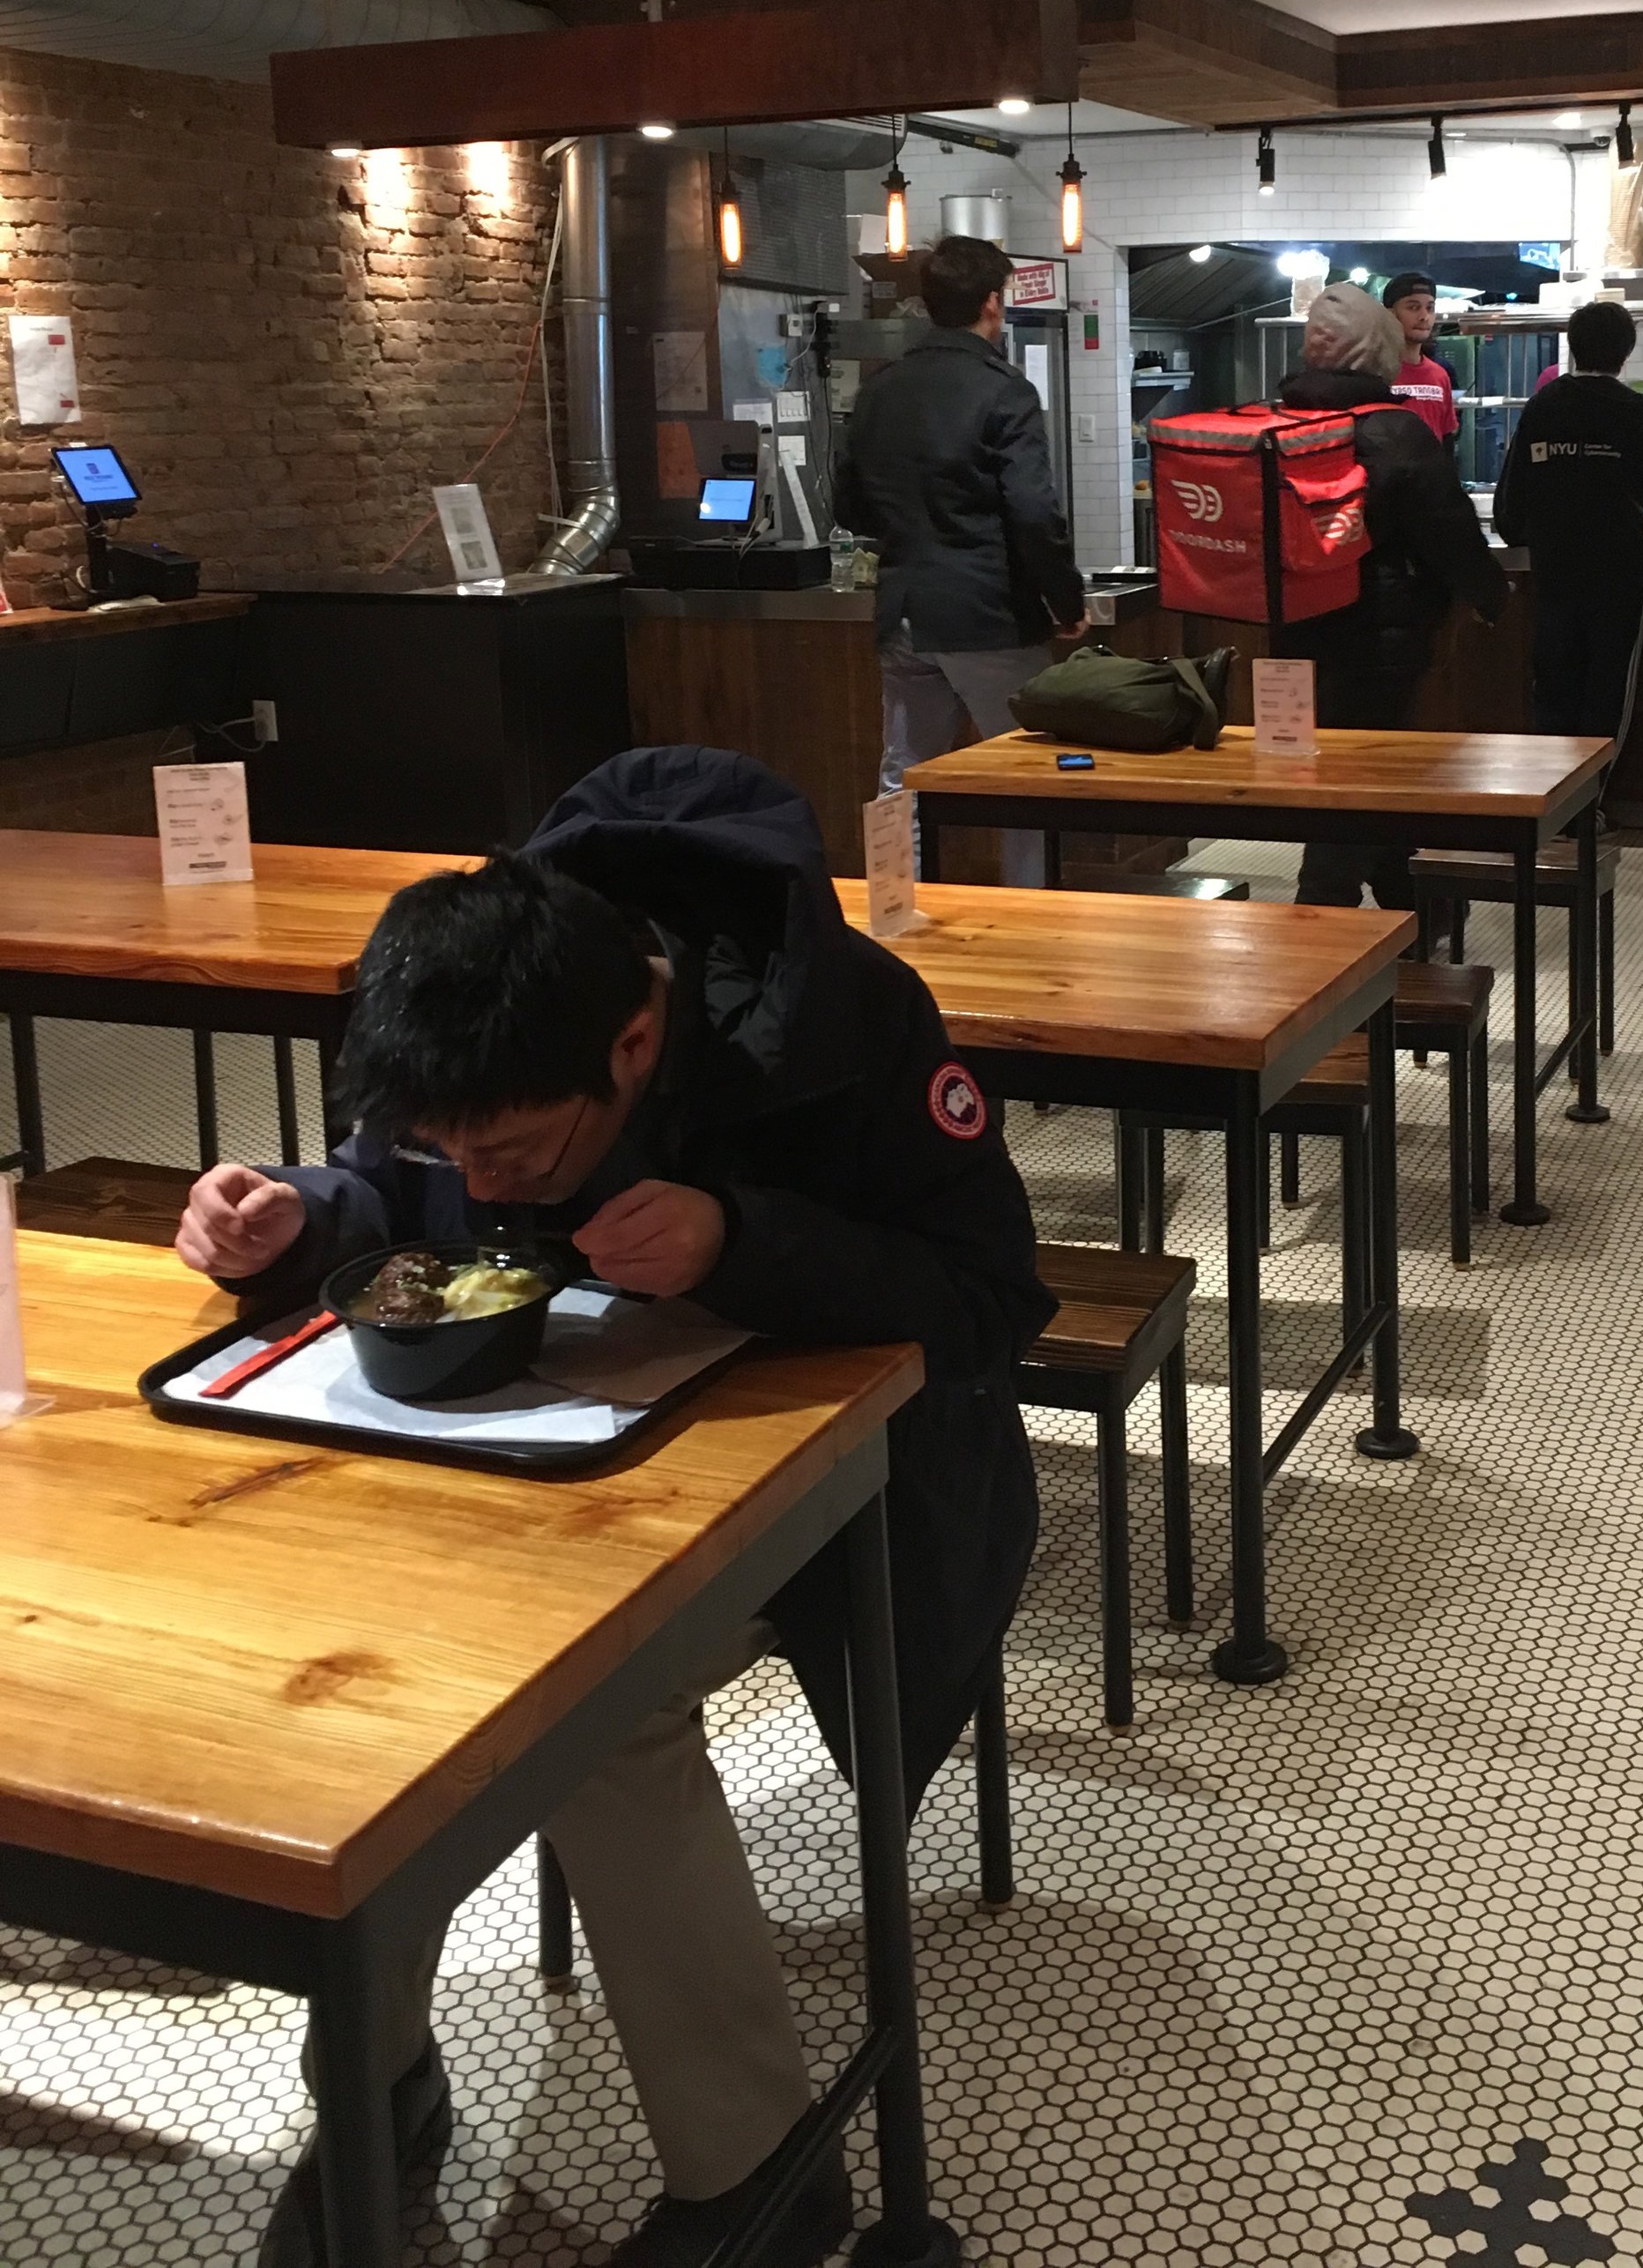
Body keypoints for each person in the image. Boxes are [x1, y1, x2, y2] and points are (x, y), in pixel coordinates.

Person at [175, 746, 1052, 2268]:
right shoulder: (480, 1002)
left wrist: (740, 1237)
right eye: (455, 1141)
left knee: (593, 1709)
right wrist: (297, 1212)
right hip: (538, 1477)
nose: (484, 1172)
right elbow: (401, 1193)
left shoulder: (840, 1020)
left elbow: (991, 1300)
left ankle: (760, 2168)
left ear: (639, 1038)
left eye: (513, 1150)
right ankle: (380, 2094)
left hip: (846, 1486)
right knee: (372, 1691)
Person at [835, 233, 1087, 886]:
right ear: (994, 304)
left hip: (905, 614)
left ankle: (894, 916)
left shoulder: (879, 390)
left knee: (904, 776)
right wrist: (1066, 602)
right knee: (1027, 774)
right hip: (987, 615)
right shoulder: (1004, 391)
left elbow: (850, 507)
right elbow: (1033, 511)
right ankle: (1031, 918)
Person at [1278, 284, 1506, 907]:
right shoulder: (1397, 432)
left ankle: (1412, 899)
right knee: (1357, 775)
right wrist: (1491, 596)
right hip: (1380, 636)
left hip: (1290, 634)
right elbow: (1449, 530)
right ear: (1379, 353)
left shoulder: (1278, 423)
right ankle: (1321, 914)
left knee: (1342, 765)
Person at [1494, 294, 1643, 740]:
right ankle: (1592, 803)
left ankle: (1555, 804)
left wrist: (1518, 533)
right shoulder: (1633, 409)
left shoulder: (1544, 404)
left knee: (1554, 688)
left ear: (1573, 346)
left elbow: (1512, 491)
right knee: (1607, 690)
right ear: (1624, 354)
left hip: (1555, 570)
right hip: (1617, 573)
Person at [1380, 271, 1461, 451]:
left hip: (1431, 476)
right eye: (1413, 308)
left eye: (1430, 308)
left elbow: (1447, 437)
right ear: (1390, 314)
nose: (1424, 316)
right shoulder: (1375, 373)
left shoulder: (1439, 375)